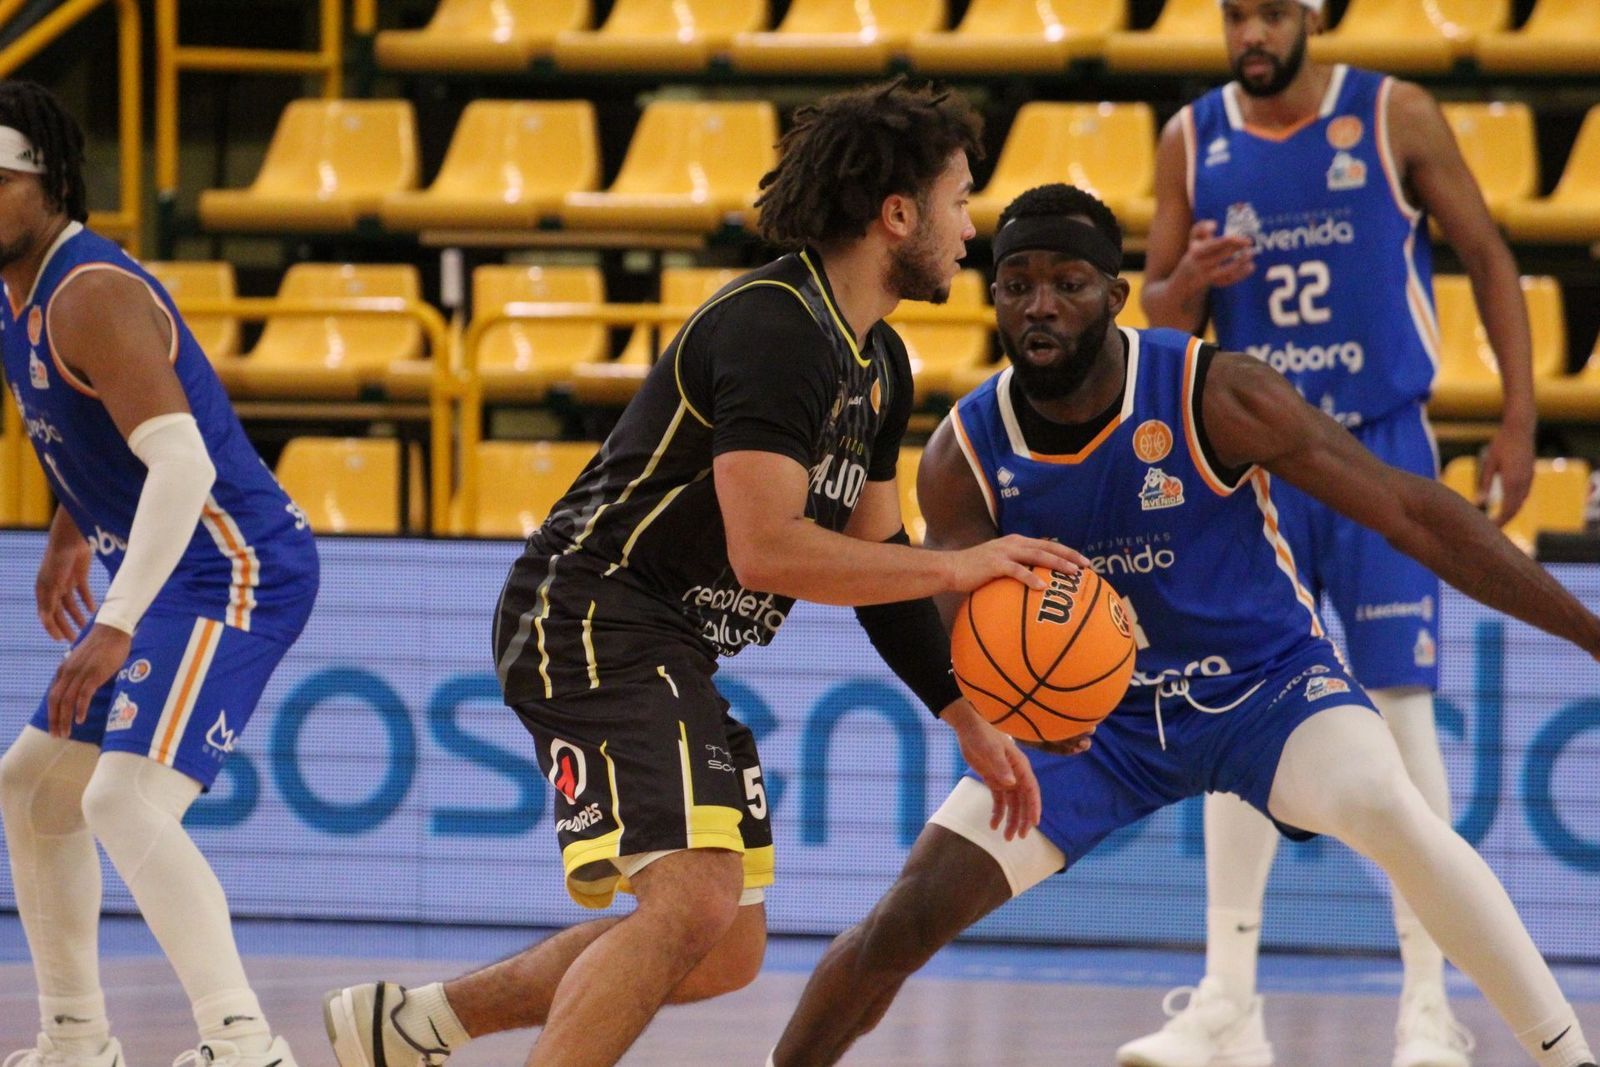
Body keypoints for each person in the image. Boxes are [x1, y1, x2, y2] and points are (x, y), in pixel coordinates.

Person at [321, 79, 1082, 1067]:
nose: (967, 228)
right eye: (958, 200)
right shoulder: (775, 327)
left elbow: (882, 559)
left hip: (665, 636)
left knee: (722, 946)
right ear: (897, 214)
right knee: (692, 897)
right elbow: (769, 549)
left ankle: (415, 1024)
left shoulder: (878, 362)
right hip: (592, 609)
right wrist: (965, 563)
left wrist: (964, 713)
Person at [768, 183, 1598, 1067]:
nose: (1040, 304)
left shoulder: (1216, 391)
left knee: (1387, 803)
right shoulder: (966, 452)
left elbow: (1412, 513)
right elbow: (942, 629)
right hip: (1095, 724)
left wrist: (1589, 632)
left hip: (1266, 686)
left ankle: (1564, 1054)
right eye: (1017, 284)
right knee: (906, 916)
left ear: (1116, 296)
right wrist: (988, 713)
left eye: (1069, 281)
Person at [1131, 2, 1540, 1064]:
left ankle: (1425, 1001)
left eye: (1268, 12)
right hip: (1257, 458)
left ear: (1309, 14)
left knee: (1401, 715)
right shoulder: (1190, 137)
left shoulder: (1393, 112)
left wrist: (1514, 419)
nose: (1249, 33)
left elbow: (1490, 256)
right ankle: (1226, 996)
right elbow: (1153, 319)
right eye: (1232, 15)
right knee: (1236, 710)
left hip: (1381, 448)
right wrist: (1190, 286)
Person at [0, 82, 318, 1067]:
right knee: (32, 788)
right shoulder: (18, 293)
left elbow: (179, 458)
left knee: (119, 799)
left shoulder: (88, 292)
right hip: (169, 563)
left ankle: (243, 1041)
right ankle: (75, 1036)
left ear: (44, 180)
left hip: (231, 566)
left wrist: (115, 619)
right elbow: (104, 431)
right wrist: (68, 527)